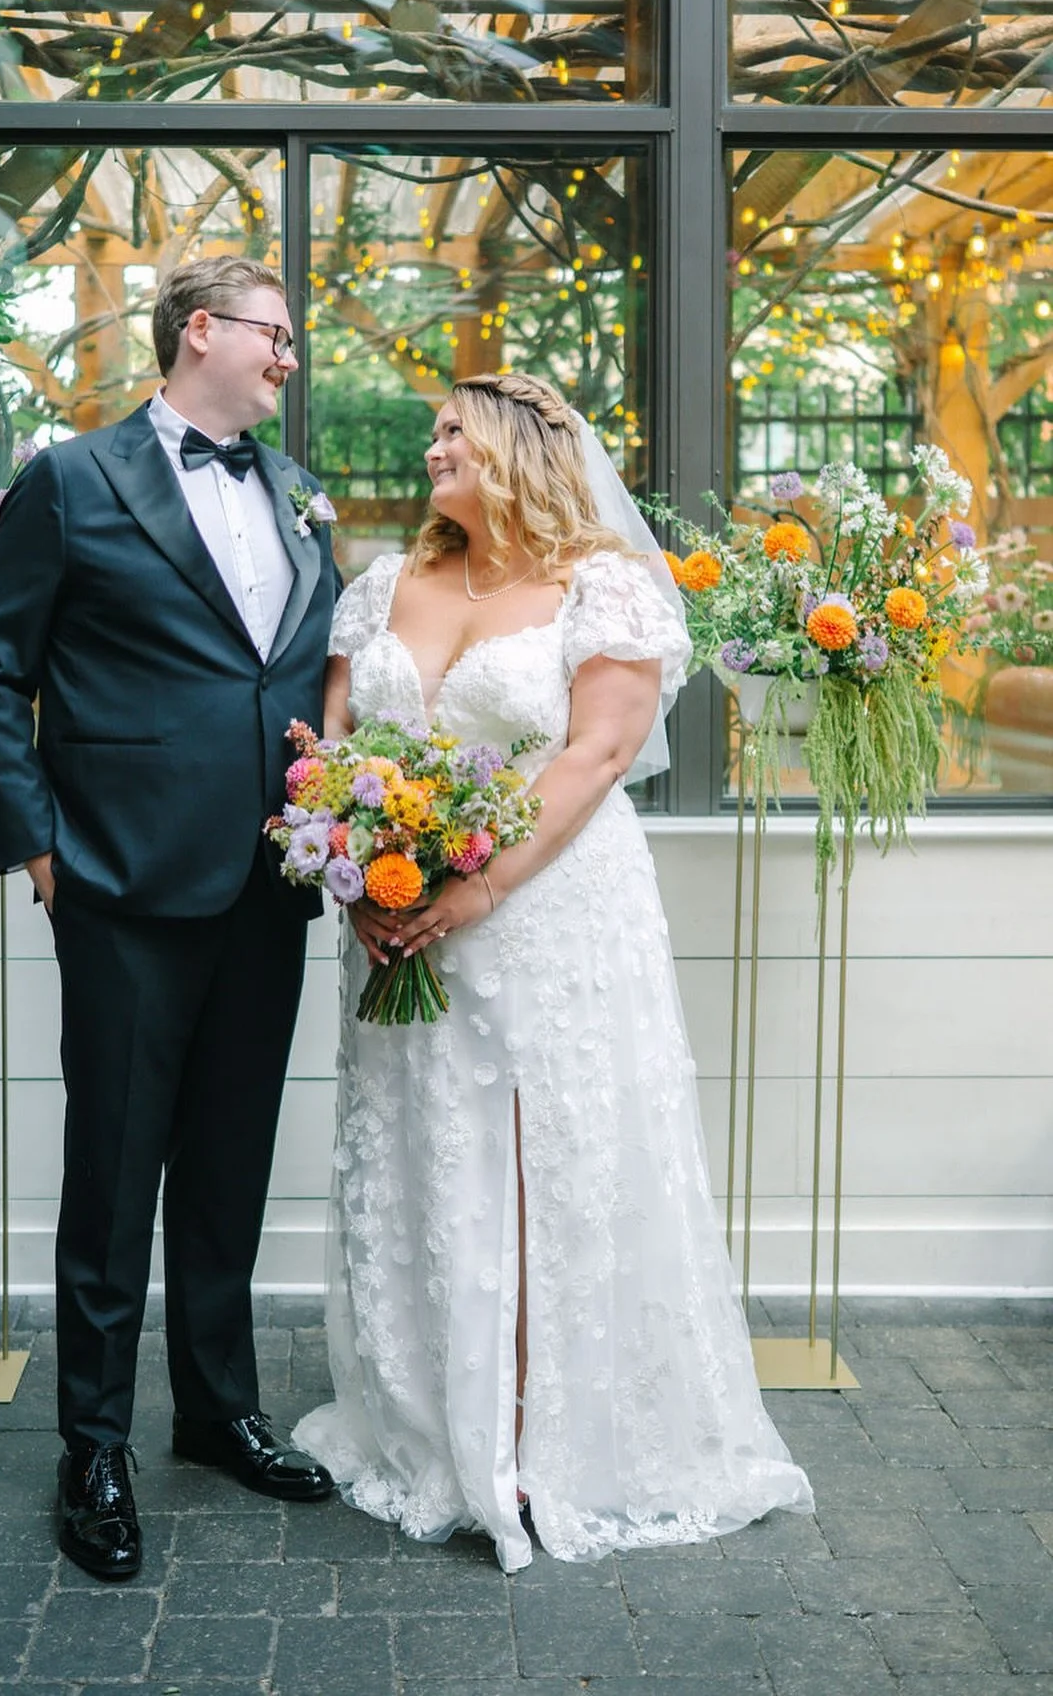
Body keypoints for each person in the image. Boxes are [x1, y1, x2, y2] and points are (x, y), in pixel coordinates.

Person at [292, 372, 813, 1572]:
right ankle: (432, 1419)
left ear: (518, 452)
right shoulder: (383, 585)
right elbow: (334, 746)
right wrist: (361, 877)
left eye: (453, 432)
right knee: (420, 1147)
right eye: (433, 431)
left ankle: (542, 1438)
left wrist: (476, 888)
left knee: (546, 1157)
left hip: (550, 909)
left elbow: (595, 755)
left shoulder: (603, 586)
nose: (433, 447)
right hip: (398, 912)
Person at [0, 256, 340, 1583]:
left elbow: (291, 675)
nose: (289, 356)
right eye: (274, 333)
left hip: (270, 882)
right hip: (118, 883)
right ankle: (95, 1448)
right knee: (115, 1175)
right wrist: (37, 846)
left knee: (229, 1162)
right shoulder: (73, 479)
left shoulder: (298, 492)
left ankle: (218, 1413)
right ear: (200, 332)